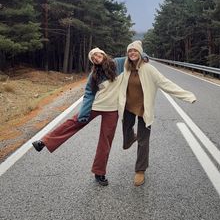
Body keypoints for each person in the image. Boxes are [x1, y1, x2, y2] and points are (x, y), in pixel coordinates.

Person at [32, 47, 127, 186]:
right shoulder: (94, 74)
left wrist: (143, 55)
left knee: (105, 141)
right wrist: (83, 113)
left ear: (103, 53)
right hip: (95, 106)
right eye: (92, 58)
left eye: (96, 54)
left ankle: (99, 172)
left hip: (112, 110)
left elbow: (134, 56)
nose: (95, 57)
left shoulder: (118, 63)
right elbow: (89, 93)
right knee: (73, 122)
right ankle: (44, 142)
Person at [118, 41, 197, 187]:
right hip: (128, 107)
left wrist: (187, 96)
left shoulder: (149, 69)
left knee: (143, 140)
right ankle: (130, 138)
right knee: (126, 132)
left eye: (135, 51)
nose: (132, 53)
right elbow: (115, 82)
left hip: (144, 110)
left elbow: (165, 83)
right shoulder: (126, 68)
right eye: (130, 51)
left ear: (140, 53)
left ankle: (140, 170)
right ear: (127, 54)